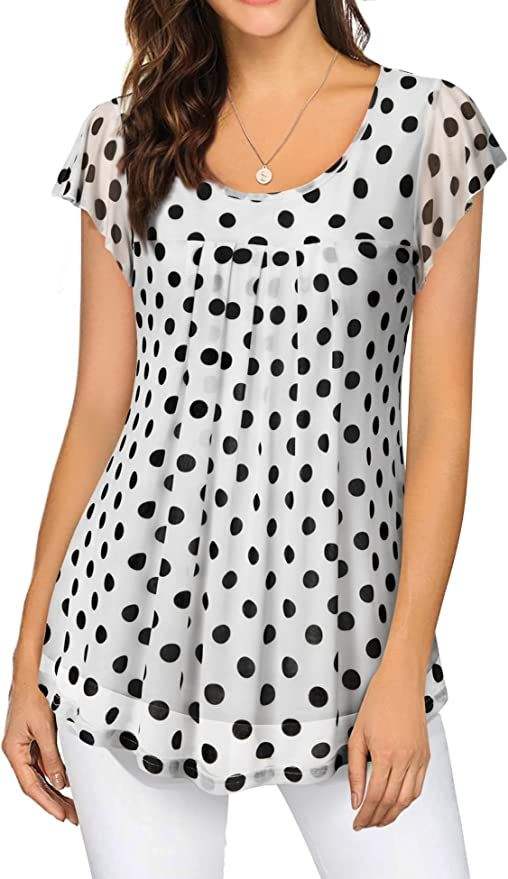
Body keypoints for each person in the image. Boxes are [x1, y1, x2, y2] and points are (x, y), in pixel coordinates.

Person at [3, 1, 506, 877]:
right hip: (130, 628)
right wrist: (27, 656)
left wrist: (404, 661)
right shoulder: (125, 139)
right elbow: (98, 410)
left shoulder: (430, 128)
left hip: (349, 636)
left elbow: (440, 425)